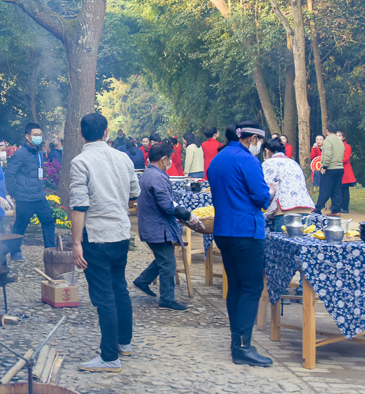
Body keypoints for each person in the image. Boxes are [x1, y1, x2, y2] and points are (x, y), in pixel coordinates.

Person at [70, 112, 141, 373]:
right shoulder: (123, 158)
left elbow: (79, 205)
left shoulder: (81, 161)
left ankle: (109, 356)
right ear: (106, 132)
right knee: (119, 287)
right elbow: (135, 193)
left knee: (104, 295)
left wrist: (76, 243)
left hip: (96, 236)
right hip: (121, 234)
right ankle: (124, 342)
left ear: (81, 133)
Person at [207, 121, 273, 367]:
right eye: (259, 142)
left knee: (235, 286)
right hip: (246, 230)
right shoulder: (247, 160)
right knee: (251, 287)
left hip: (224, 229)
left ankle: (238, 341)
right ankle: (243, 346)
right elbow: (261, 196)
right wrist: (272, 191)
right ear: (252, 139)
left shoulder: (219, 158)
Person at [133, 143, 193, 311]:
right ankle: (167, 299)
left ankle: (143, 280)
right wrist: (186, 215)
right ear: (164, 159)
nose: (171, 163)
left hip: (153, 225)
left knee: (164, 258)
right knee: (168, 264)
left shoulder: (150, 173)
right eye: (171, 159)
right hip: (157, 227)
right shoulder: (156, 177)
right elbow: (167, 205)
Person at [7, 122, 54, 260]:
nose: (38, 137)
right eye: (35, 135)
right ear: (27, 136)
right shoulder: (20, 154)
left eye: (40, 135)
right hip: (25, 198)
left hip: (39, 197)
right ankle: (15, 252)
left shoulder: (39, 152)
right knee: (21, 225)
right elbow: (10, 174)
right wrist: (14, 194)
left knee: (48, 221)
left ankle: (50, 251)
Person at [261, 138, 315, 226]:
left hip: (284, 209)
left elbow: (267, 188)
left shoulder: (269, 163)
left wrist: (264, 204)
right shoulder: (293, 162)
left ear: (266, 151)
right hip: (306, 208)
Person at [315, 124, 346, 215]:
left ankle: (318, 208)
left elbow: (328, 155)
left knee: (325, 189)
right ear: (336, 131)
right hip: (340, 168)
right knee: (336, 190)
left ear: (327, 130)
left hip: (330, 168)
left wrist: (324, 166)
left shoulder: (328, 140)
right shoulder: (339, 141)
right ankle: (336, 210)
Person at [338, 129, 356, 214]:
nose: (338, 137)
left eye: (340, 136)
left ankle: (345, 207)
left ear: (343, 137)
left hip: (345, 171)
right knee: (338, 189)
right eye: (336, 136)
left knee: (344, 189)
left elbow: (345, 159)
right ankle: (339, 206)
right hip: (337, 169)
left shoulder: (347, 147)